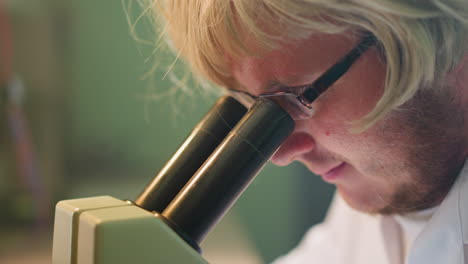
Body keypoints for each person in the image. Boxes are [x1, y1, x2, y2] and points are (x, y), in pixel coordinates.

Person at [147, 1, 468, 263]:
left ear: (443, 35)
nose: (281, 154)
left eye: (298, 96)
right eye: (251, 104)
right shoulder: (385, 181)